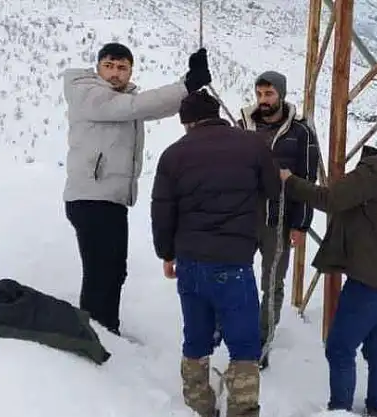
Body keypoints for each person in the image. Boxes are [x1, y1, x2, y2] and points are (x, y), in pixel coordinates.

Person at [279, 113, 377, 416]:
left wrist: (290, 181)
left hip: (372, 278)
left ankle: (340, 409)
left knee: (340, 347)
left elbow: (331, 199)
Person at [61, 42, 212, 335]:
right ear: (97, 68)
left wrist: (189, 84)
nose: (115, 73)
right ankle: (94, 335)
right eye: (108, 66)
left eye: (122, 68)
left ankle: (105, 331)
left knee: (113, 270)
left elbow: (149, 107)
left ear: (130, 72)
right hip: (92, 197)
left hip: (109, 199)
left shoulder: (121, 101)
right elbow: (136, 107)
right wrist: (185, 86)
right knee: (102, 271)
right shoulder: (88, 93)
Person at [151, 90, 281, 417]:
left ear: (187, 122)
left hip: (191, 262)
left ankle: (198, 407)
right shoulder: (253, 145)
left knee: (196, 338)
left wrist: (167, 254)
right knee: (244, 345)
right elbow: (274, 189)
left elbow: (162, 212)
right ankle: (242, 409)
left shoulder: (173, 155)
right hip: (234, 261)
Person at [236, 70, 319, 368]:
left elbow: (308, 179)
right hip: (243, 216)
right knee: (235, 276)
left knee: (272, 283)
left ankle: (262, 342)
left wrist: (301, 223)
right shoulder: (243, 125)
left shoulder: (301, 132)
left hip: (280, 218)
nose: (263, 100)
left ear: (281, 95)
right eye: (259, 94)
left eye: (269, 94)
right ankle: (236, 330)